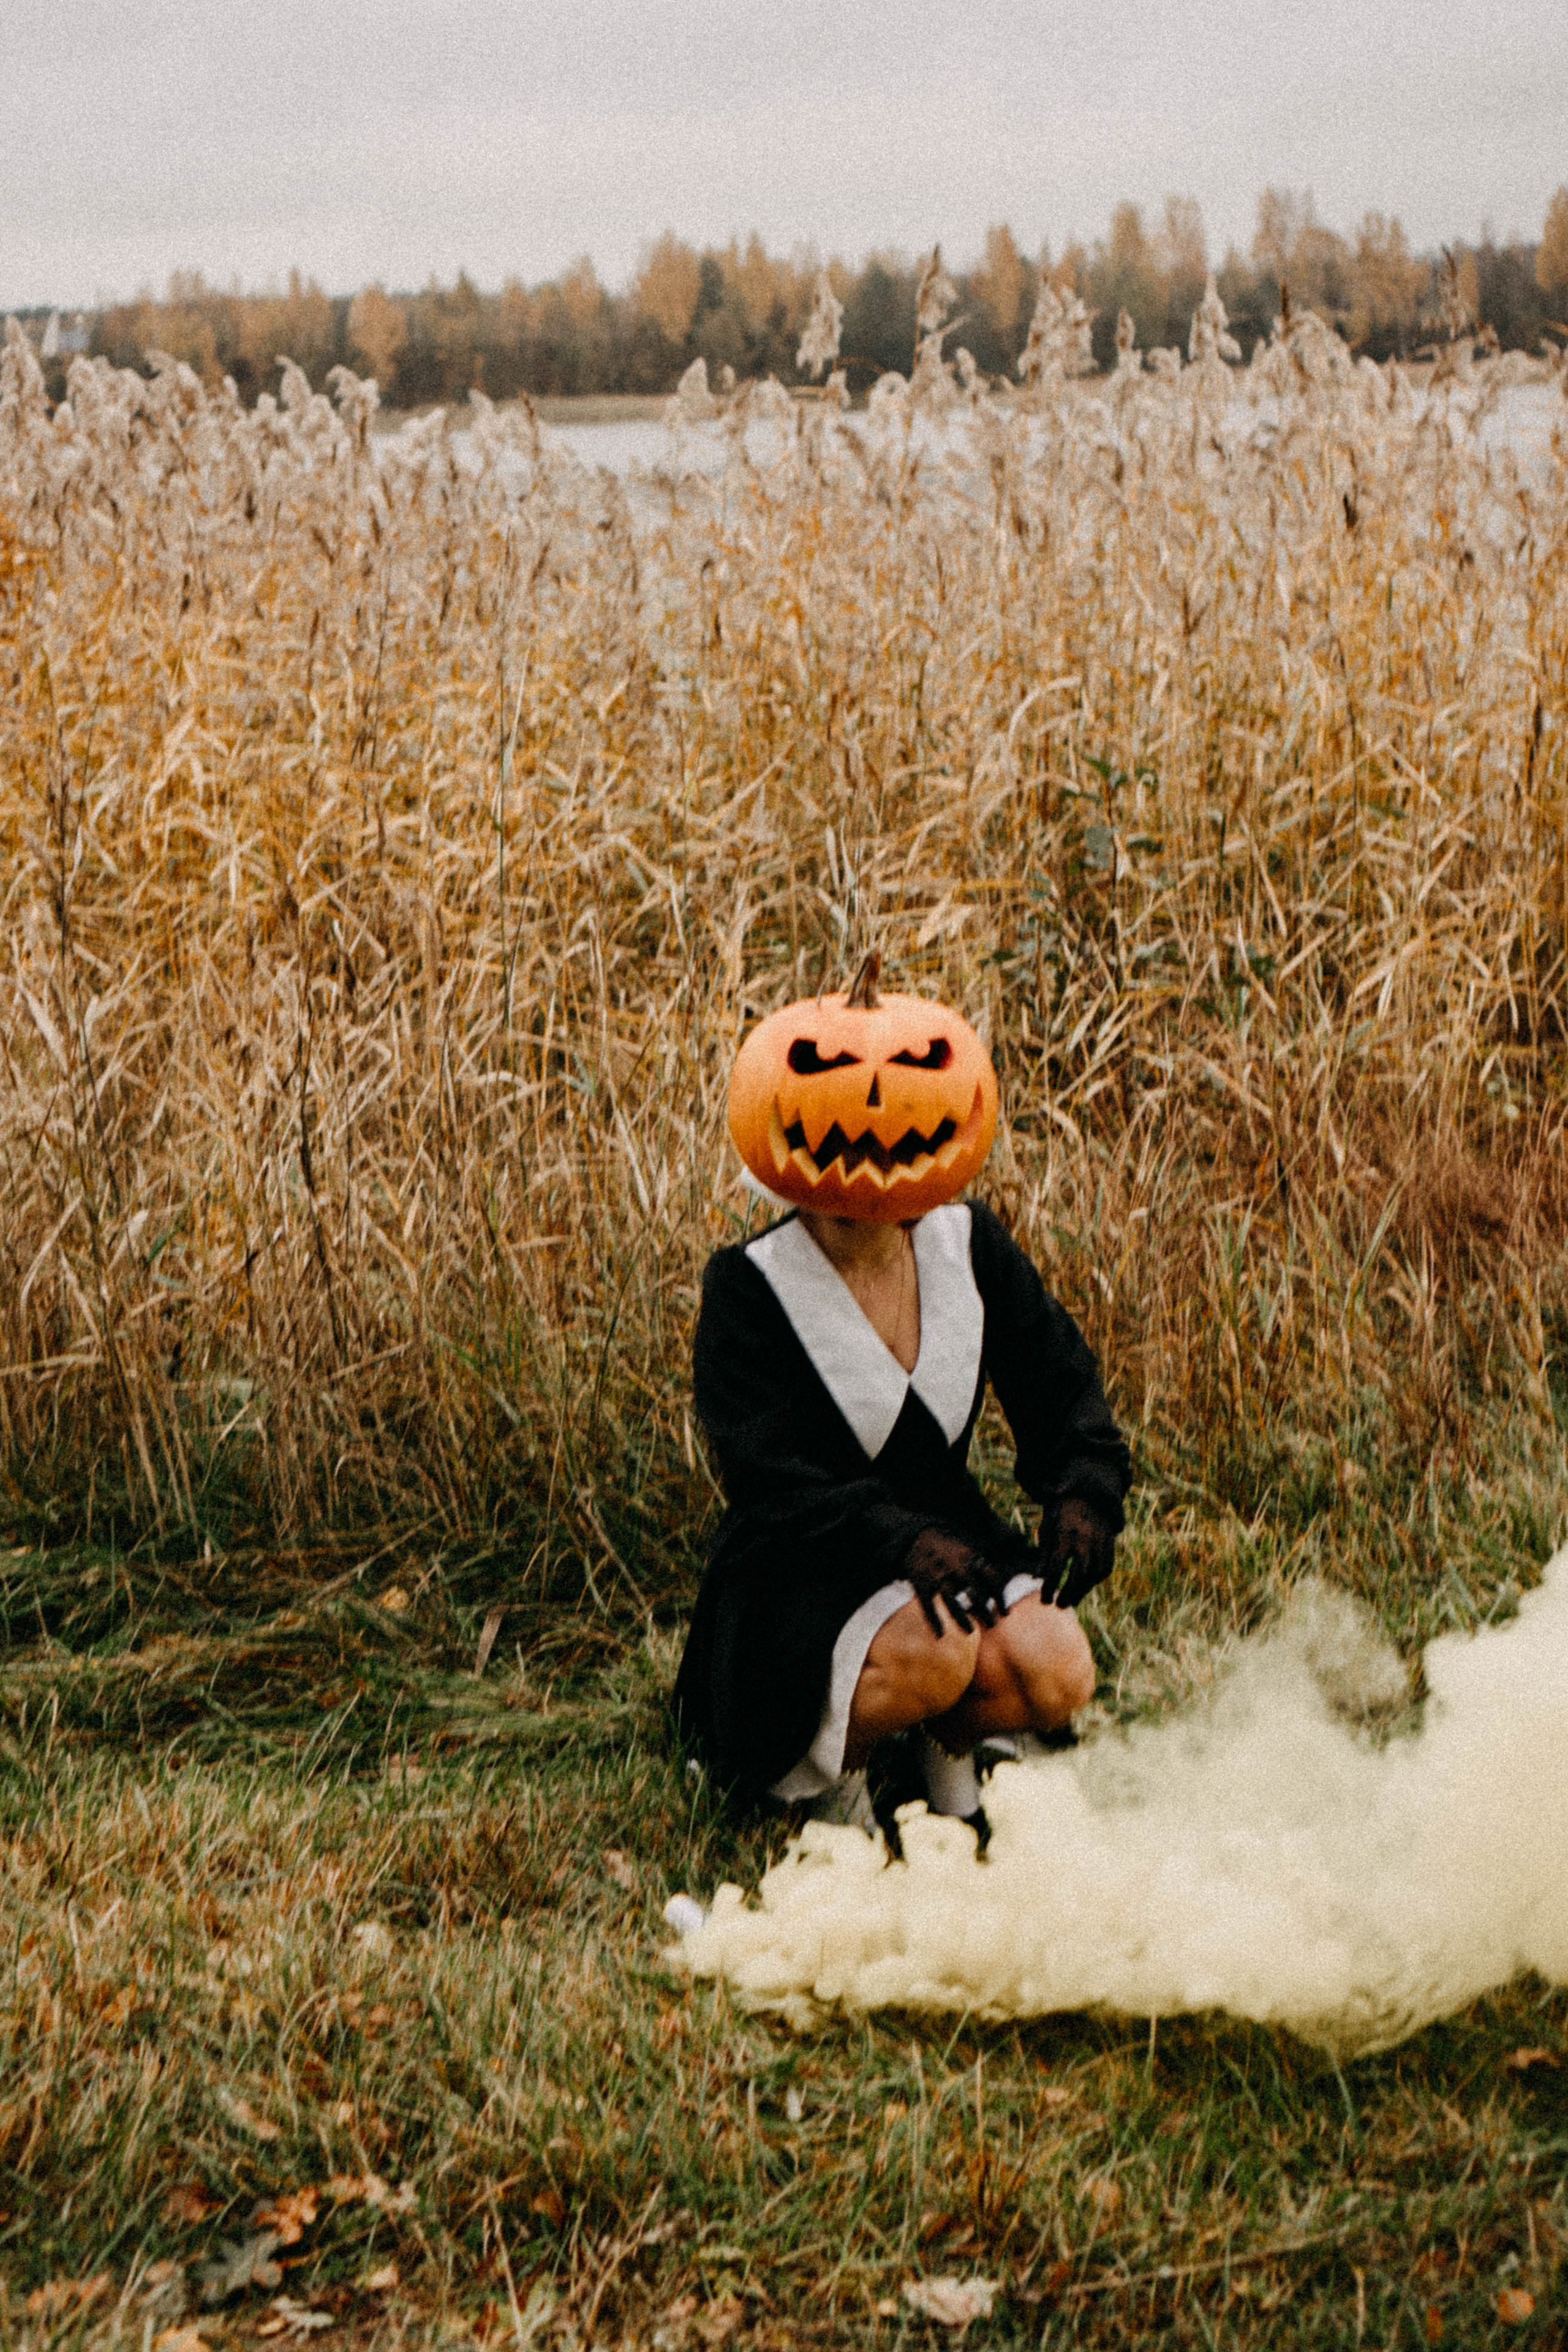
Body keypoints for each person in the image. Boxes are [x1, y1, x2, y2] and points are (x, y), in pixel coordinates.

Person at [673, 964, 1132, 1832]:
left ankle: (943, 1774)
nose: (879, 1116)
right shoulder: (748, 1286)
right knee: (939, 1652)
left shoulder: (973, 1245)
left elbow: (1061, 1384)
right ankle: (817, 1795)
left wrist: (1084, 1490)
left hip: (946, 1549)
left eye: (917, 1075)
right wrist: (901, 1539)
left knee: (1056, 1664)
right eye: (833, 1079)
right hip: (801, 1566)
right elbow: (766, 1477)